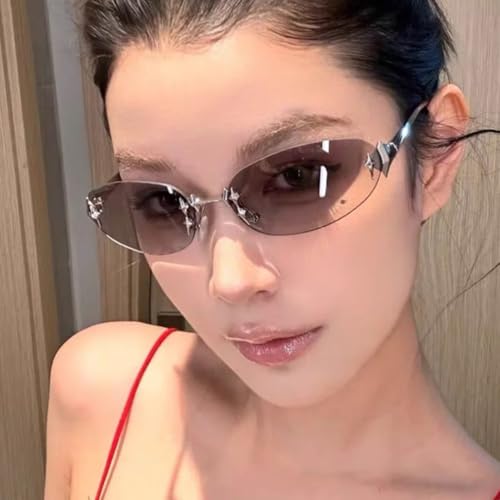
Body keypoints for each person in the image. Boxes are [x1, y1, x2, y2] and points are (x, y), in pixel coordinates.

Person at [44, 0, 500, 498]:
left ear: (434, 157)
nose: (230, 281)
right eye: (162, 200)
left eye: (298, 176)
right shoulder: (103, 394)